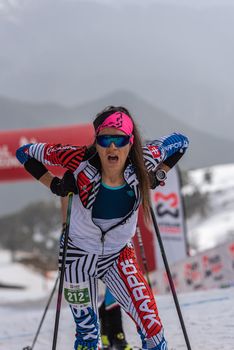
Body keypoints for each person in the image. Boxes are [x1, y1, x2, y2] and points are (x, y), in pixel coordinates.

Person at [16, 106, 189, 350]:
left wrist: (158, 173)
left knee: (153, 331)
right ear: (95, 141)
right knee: (88, 336)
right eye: (104, 138)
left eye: (119, 139)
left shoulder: (145, 160)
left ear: (130, 141)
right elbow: (24, 152)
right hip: (78, 255)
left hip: (119, 255)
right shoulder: (76, 159)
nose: (112, 147)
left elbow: (181, 142)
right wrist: (54, 184)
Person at [60, 196, 131, 350]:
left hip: (111, 245)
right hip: (84, 248)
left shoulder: (110, 173)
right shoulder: (78, 173)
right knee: (92, 300)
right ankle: (101, 338)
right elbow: (65, 195)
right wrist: (66, 226)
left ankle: (118, 336)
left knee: (113, 295)